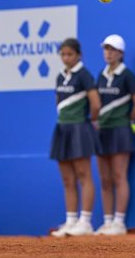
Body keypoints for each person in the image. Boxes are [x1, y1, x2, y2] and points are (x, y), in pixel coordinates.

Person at [94, 35, 135, 236]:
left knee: (118, 176)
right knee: (105, 179)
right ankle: (107, 222)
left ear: (121, 54)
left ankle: (119, 223)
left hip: (121, 131)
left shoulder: (127, 76)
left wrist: (127, 121)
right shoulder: (101, 75)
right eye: (106, 49)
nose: (108, 52)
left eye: (112, 49)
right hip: (102, 132)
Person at [49, 38, 101, 237]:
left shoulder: (84, 75)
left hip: (80, 128)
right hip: (62, 128)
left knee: (83, 175)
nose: (66, 58)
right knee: (67, 178)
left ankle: (85, 221)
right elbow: (58, 103)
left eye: (70, 54)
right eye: (63, 54)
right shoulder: (60, 77)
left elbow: (95, 104)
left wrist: (89, 122)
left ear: (79, 55)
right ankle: (71, 221)